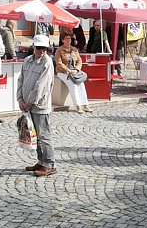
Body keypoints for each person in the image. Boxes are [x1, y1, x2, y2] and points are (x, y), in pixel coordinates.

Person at [18, 35, 56, 177]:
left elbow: (41, 86)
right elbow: (20, 80)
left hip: (40, 105)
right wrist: (20, 99)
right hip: (27, 104)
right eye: (39, 48)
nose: (42, 51)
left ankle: (49, 164)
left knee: (44, 136)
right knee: (36, 135)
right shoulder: (27, 61)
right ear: (34, 46)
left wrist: (29, 102)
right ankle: (41, 161)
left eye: (44, 48)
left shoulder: (47, 62)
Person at [54, 36, 92, 113]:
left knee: (81, 83)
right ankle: (77, 106)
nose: (68, 40)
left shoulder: (74, 49)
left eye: (69, 39)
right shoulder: (59, 50)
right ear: (63, 40)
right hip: (62, 72)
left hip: (74, 71)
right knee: (73, 84)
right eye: (66, 39)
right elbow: (59, 63)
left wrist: (76, 69)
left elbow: (79, 61)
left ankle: (85, 104)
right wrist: (68, 70)